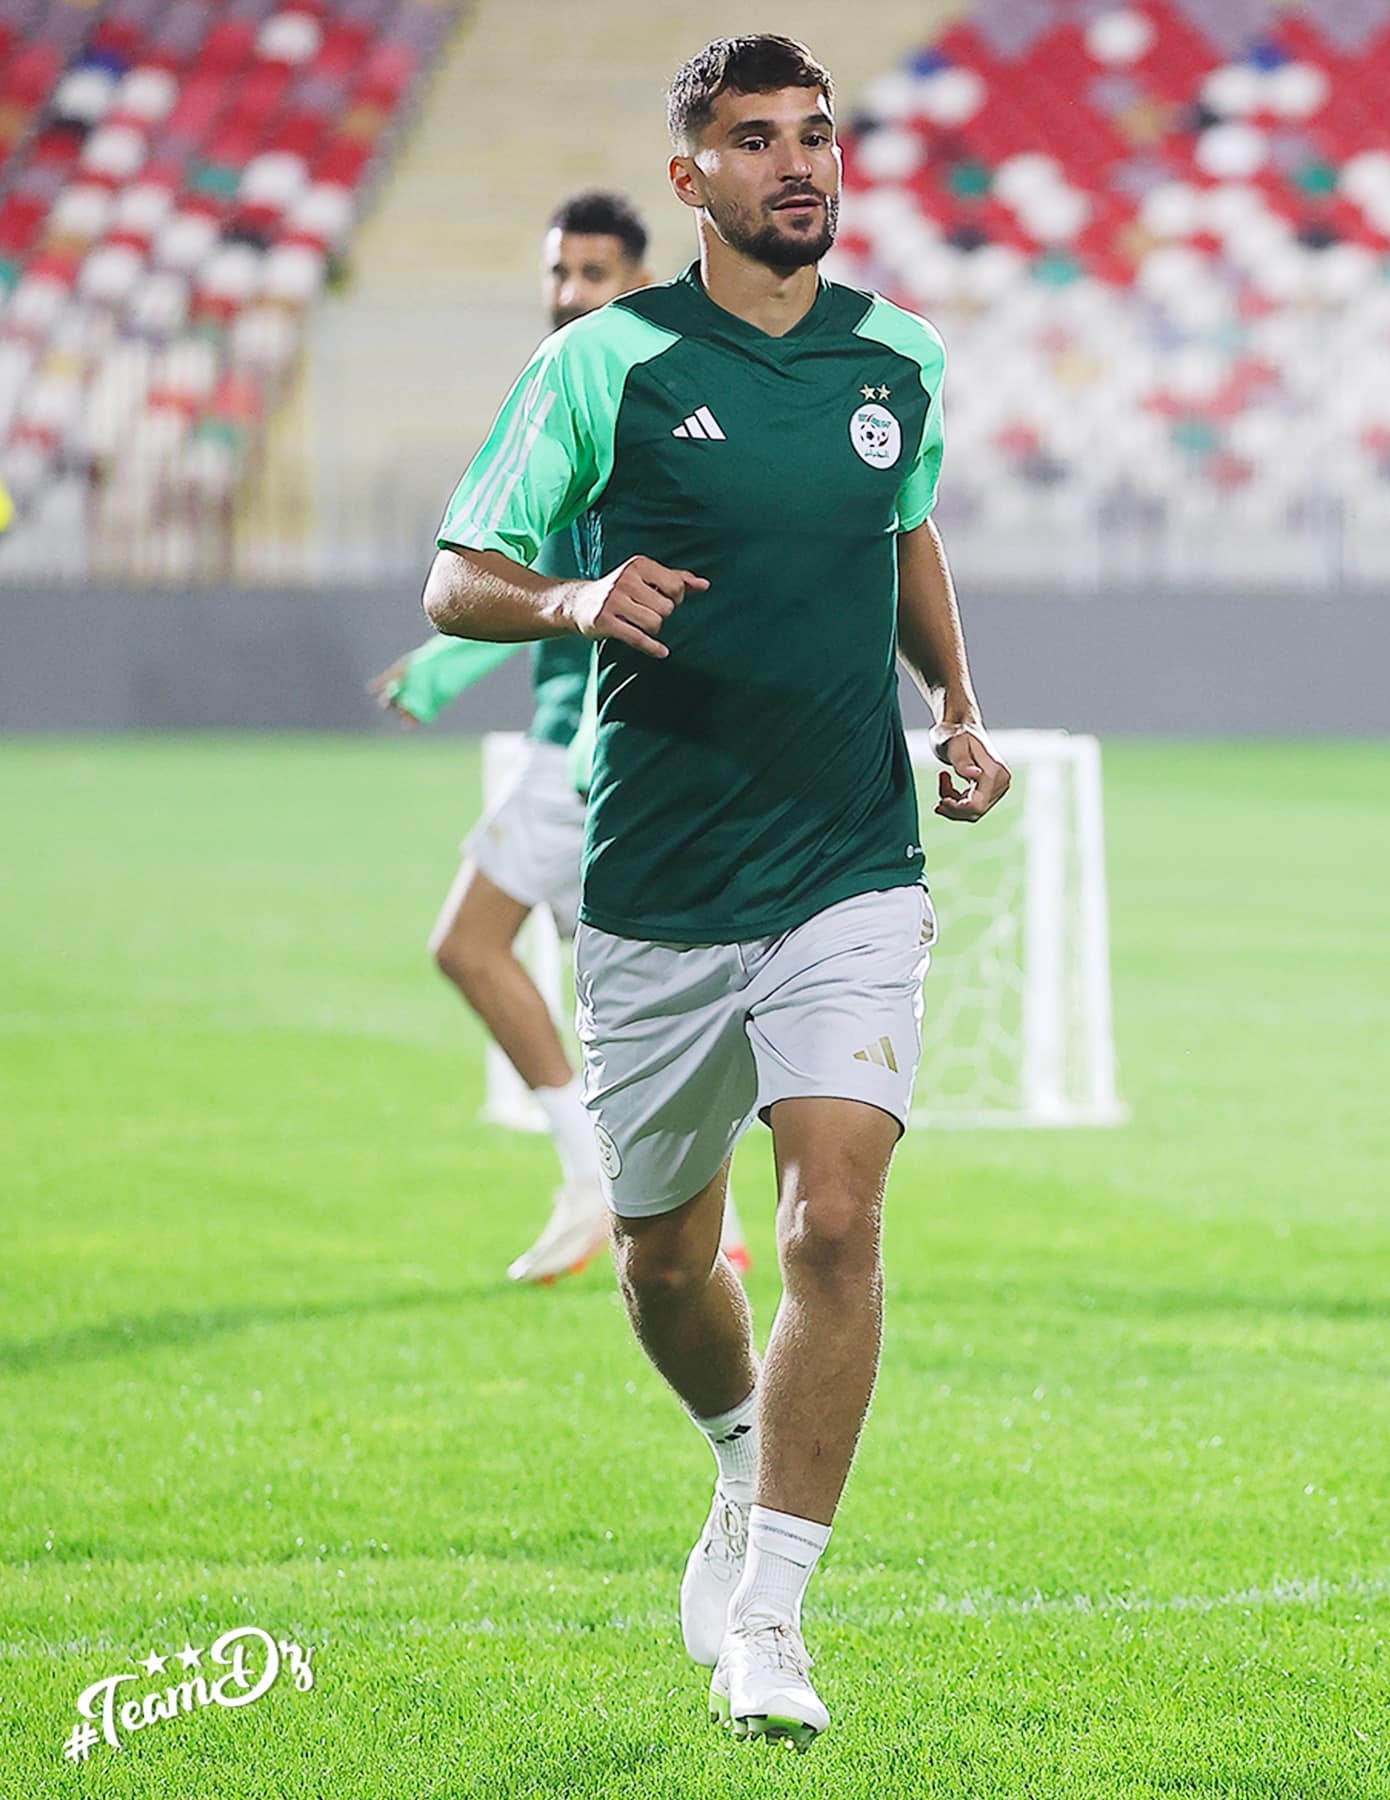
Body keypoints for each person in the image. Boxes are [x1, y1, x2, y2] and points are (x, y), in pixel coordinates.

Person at [422, 34, 1010, 1747]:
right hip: (662, 883)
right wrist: (572, 597)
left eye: (815, 134)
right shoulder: (604, 362)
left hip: (850, 863)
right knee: (668, 1264)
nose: (796, 162)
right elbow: (459, 580)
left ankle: (773, 1619)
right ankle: (740, 1457)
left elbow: (902, 530)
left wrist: (958, 710)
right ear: (692, 178)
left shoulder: (898, 354)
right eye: (756, 141)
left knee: (832, 1218)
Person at [374, 191, 750, 1284]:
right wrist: (446, 660)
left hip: (592, 753)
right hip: (591, 747)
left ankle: (599, 1180)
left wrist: (447, 668)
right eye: (558, 272)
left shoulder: (625, 393)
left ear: (636, 276)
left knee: (474, 946)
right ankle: (699, 1216)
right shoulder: (588, 384)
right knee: (631, 1000)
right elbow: (535, 572)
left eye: (594, 273)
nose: (571, 292)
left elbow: (573, 580)